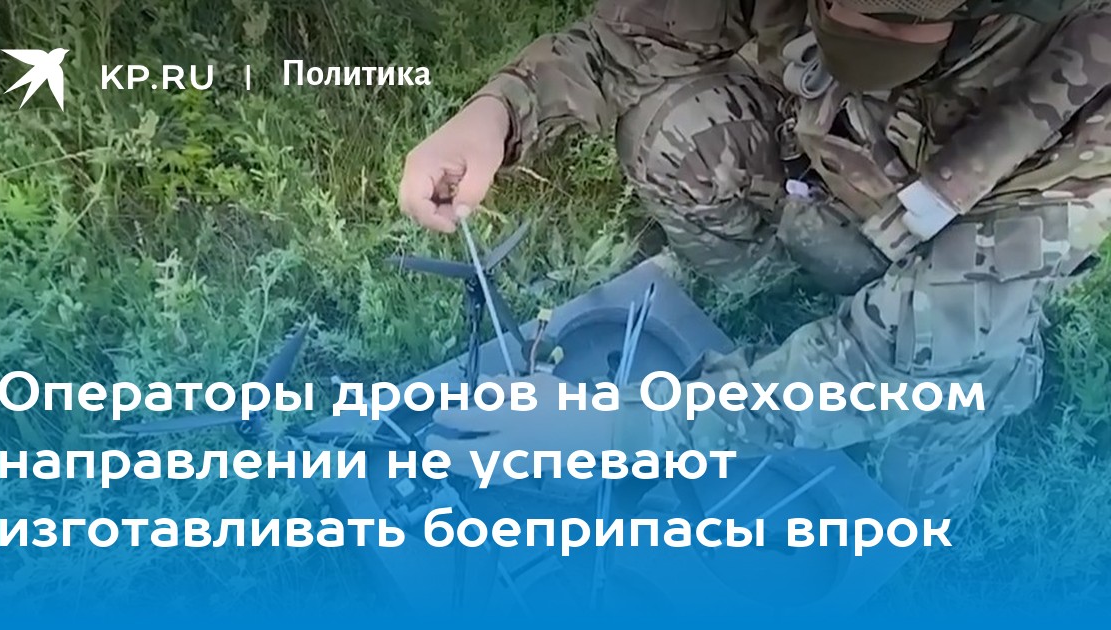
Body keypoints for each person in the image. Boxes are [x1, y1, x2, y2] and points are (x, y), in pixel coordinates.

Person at [397, 0, 1111, 520]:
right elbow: (631, 42)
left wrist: (617, 430)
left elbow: (887, 362)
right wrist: (496, 114)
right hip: (844, 173)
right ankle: (768, 303)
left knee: (905, 485)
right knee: (673, 128)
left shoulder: (1090, 92)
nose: (865, 24)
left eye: (900, 16)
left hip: (959, 294)